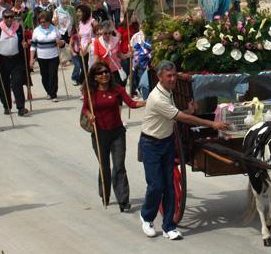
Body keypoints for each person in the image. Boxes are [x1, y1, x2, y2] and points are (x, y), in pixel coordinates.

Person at [139, 60, 229, 240]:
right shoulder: (157, 98)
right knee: (156, 185)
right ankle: (147, 216)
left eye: (174, 75)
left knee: (170, 186)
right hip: (151, 144)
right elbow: (181, 118)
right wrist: (213, 123)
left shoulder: (168, 91)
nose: (173, 79)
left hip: (166, 142)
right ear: (159, 78)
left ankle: (169, 227)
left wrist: (188, 109)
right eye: (169, 76)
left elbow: (176, 114)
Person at [82, 62, 146, 211]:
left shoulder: (117, 89)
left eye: (106, 72)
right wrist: (90, 115)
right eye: (100, 73)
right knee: (104, 166)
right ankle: (104, 193)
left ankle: (123, 200)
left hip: (117, 133)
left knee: (119, 166)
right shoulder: (90, 92)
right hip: (99, 133)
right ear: (95, 77)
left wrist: (148, 102)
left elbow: (131, 103)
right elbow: (85, 107)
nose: (104, 75)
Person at [0, 10, 29, 116]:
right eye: (7, 17)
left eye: (11, 17)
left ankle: (21, 107)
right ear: (3, 17)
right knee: (4, 83)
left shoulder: (19, 27)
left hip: (16, 59)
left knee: (17, 82)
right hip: (2, 60)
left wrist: (24, 45)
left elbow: (22, 42)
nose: (9, 19)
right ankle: (7, 106)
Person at [30, 11, 64, 102]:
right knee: (44, 75)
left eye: (44, 22)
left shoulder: (55, 29)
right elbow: (33, 46)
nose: (42, 24)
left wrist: (60, 42)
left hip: (53, 56)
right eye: (41, 22)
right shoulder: (36, 31)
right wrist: (31, 59)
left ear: (49, 21)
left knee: (53, 74)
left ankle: (53, 94)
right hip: (41, 57)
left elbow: (62, 42)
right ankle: (48, 91)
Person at [93, 20, 127, 85]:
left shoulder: (115, 40)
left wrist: (128, 55)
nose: (108, 35)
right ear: (102, 32)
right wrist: (94, 72)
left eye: (109, 33)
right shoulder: (97, 42)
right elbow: (96, 60)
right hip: (104, 72)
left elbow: (119, 54)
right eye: (105, 33)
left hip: (116, 70)